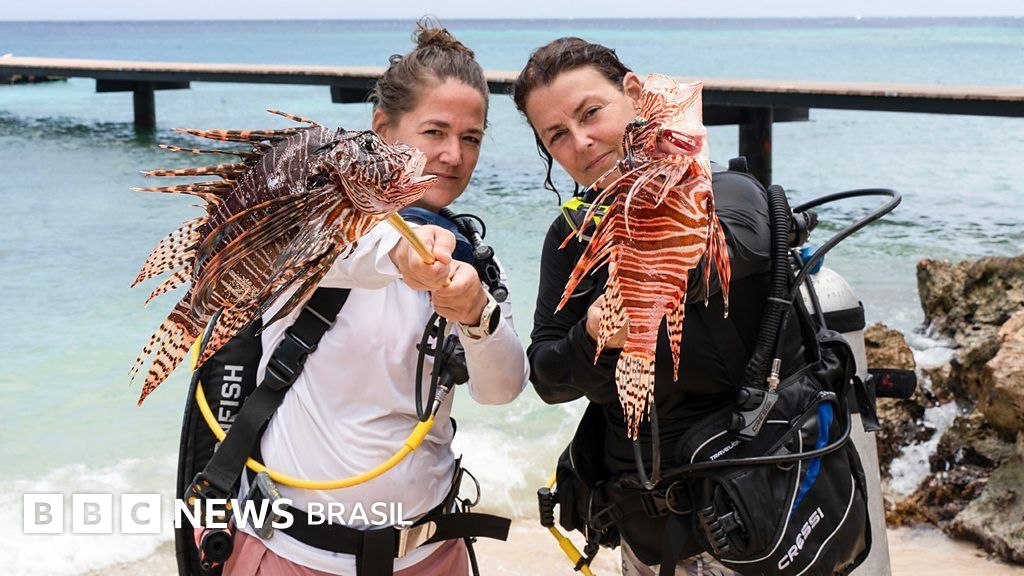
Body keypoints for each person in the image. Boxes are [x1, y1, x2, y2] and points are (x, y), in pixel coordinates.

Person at [222, 22, 529, 576]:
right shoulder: (312, 223)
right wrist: (400, 255)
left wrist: (477, 314)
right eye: (434, 131)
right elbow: (342, 251)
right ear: (383, 130)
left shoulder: (473, 260)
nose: (453, 155)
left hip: (431, 555)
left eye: (471, 138)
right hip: (294, 556)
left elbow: (502, 389)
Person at [513, 38, 805, 575]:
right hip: (647, 528)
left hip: (760, 506)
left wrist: (659, 213)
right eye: (556, 135)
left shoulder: (725, 192)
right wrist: (592, 335)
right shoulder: (572, 234)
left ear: (633, 94)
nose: (581, 141)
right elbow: (548, 377)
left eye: (591, 113)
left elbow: (746, 245)